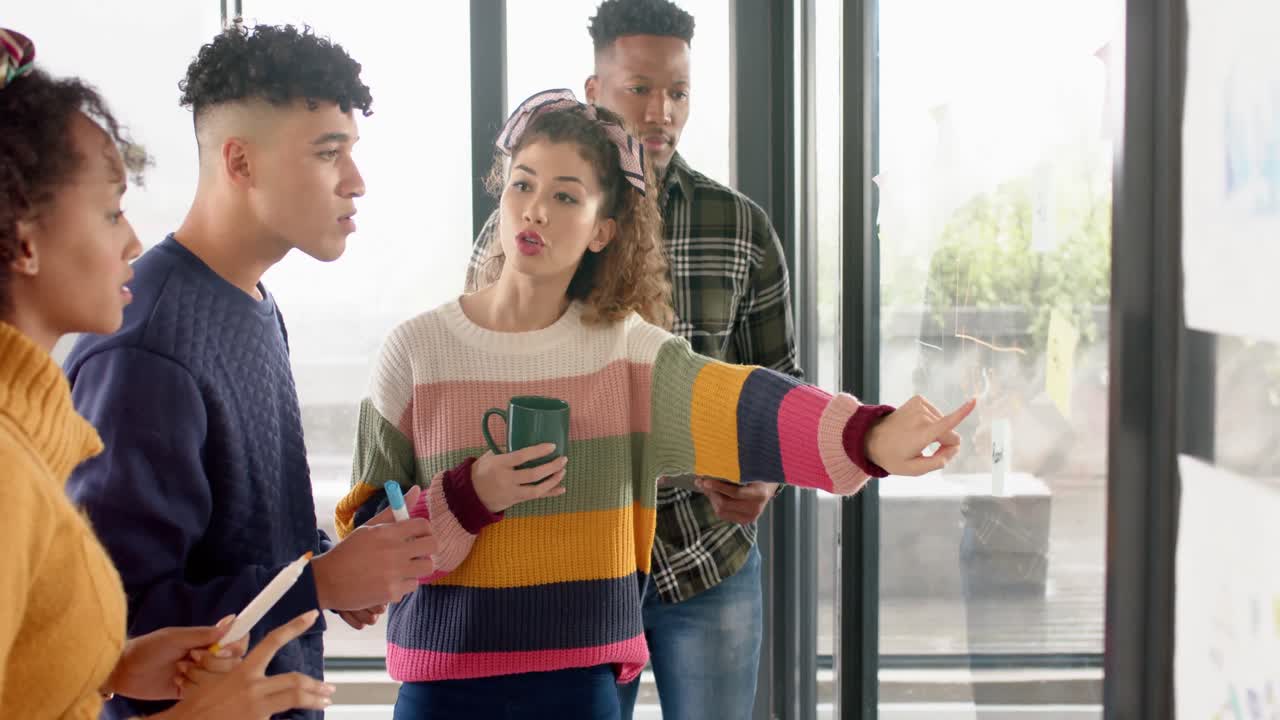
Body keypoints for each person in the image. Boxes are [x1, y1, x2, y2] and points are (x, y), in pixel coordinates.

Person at [341, 90, 974, 719]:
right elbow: (366, 530)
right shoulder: (415, 352)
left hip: (578, 694)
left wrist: (868, 435)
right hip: (441, 694)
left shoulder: (628, 354)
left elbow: (748, 408)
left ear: (603, 230)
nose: (534, 210)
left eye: (566, 196)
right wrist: (470, 495)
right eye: (522, 184)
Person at [61, 24, 437, 720]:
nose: (355, 181)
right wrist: (319, 584)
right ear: (240, 162)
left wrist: (330, 568)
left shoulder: (253, 302)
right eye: (328, 153)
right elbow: (115, 628)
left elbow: (236, 539)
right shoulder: (145, 345)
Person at [465, 3, 804, 715]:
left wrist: (765, 477)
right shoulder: (526, 225)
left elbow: (781, 382)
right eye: (640, 88)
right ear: (594, 92)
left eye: (678, 92)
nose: (661, 112)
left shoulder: (739, 225)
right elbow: (476, 373)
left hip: (705, 560)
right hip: (571, 568)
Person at [0, 26, 334, 719]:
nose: (131, 240)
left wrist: (111, 666)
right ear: (24, 242)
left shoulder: (29, 445)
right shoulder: (12, 470)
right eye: (110, 211)